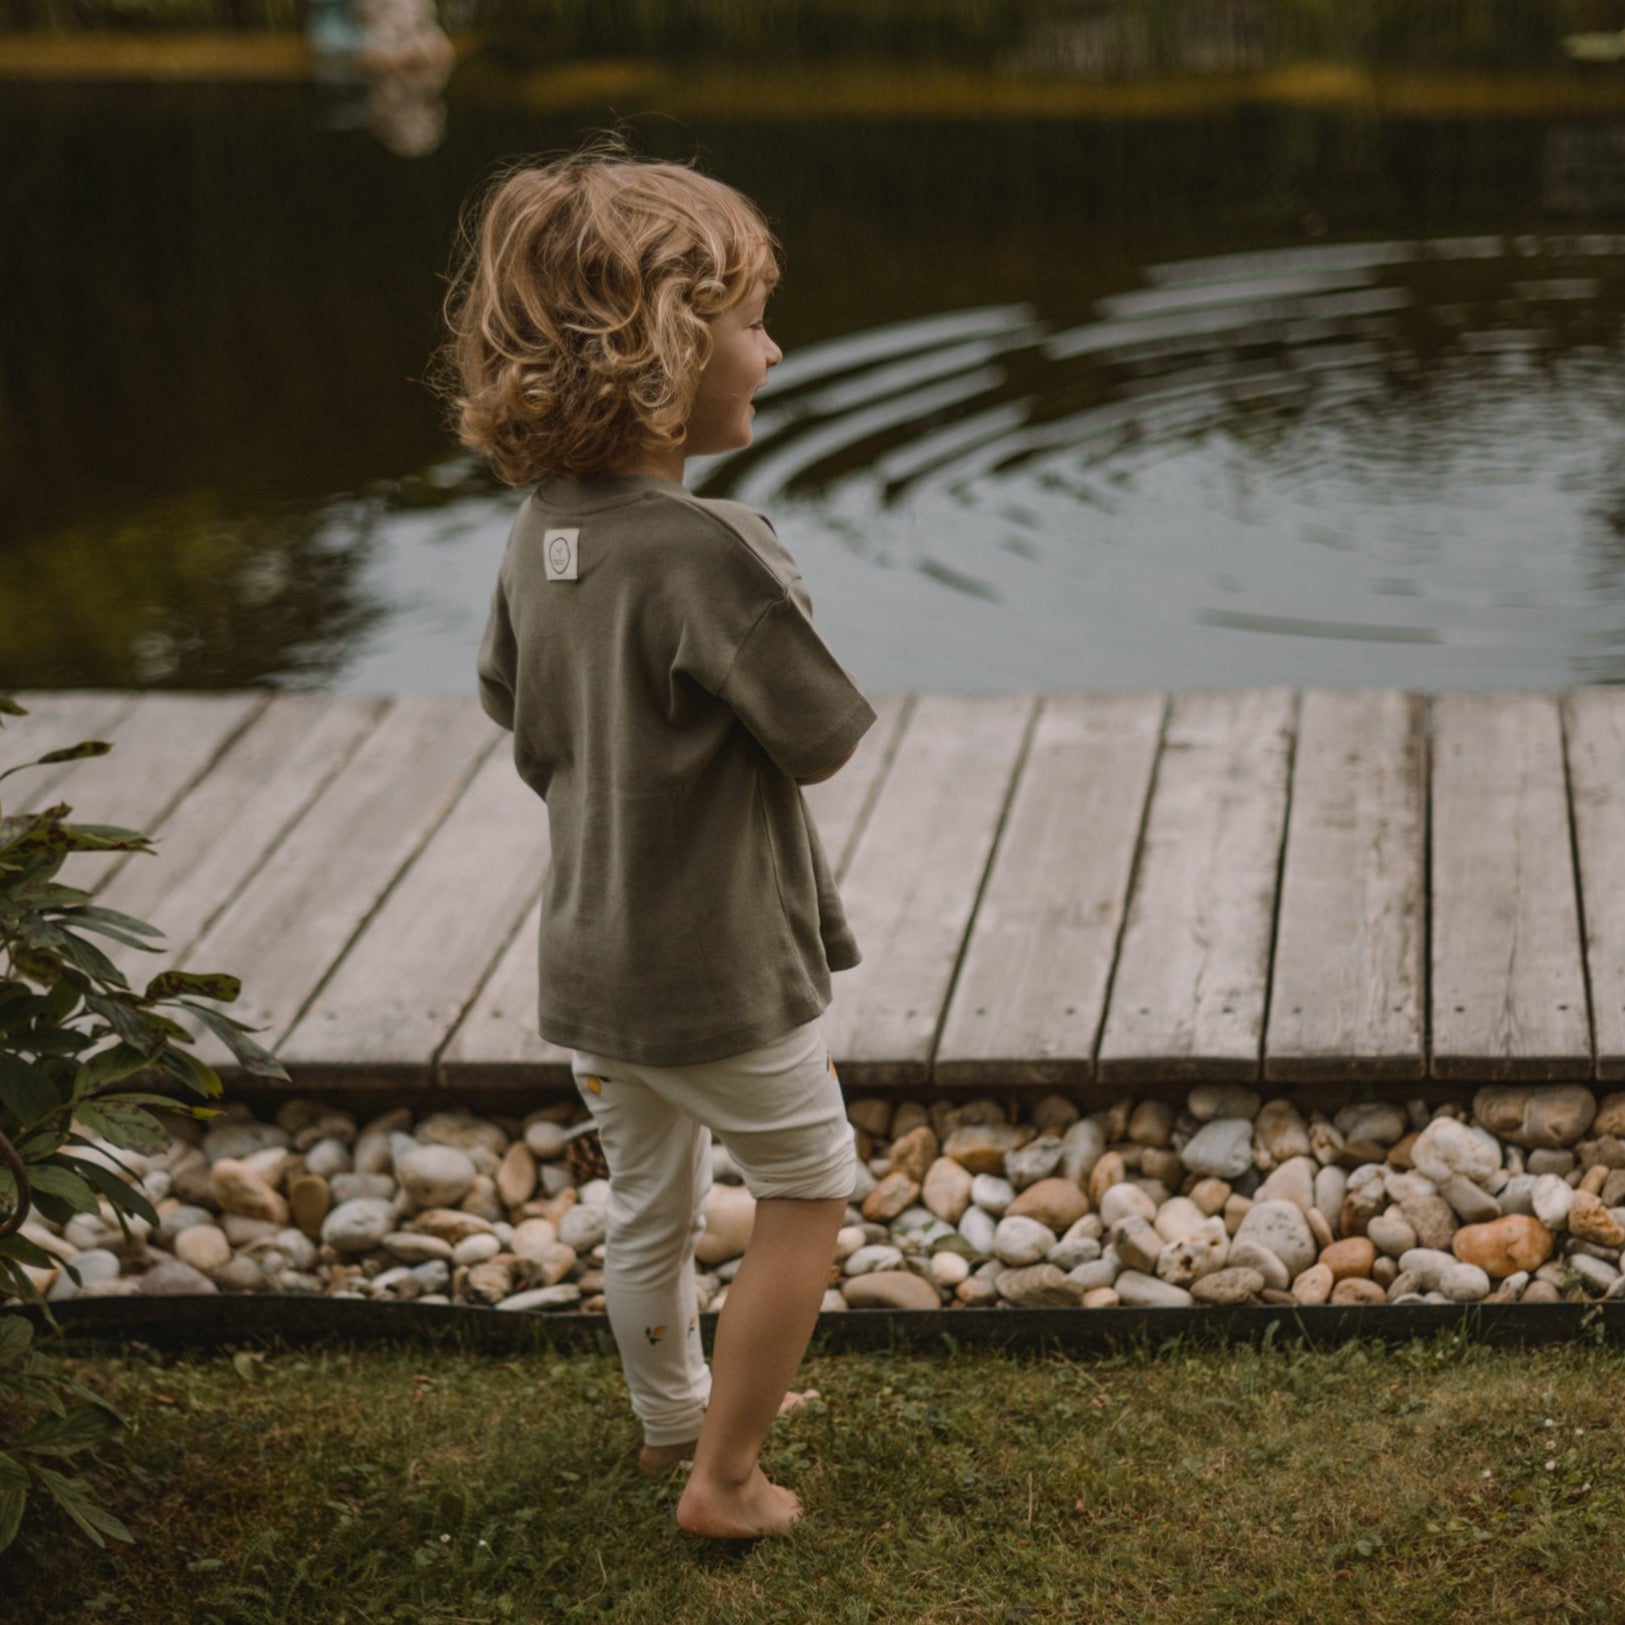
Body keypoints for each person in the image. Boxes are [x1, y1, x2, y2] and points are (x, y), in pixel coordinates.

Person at [436, 135, 876, 1540]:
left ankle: (673, 1421)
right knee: (806, 1189)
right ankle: (726, 1478)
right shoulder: (710, 547)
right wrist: (777, 581)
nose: (774, 347)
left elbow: (517, 709)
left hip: (593, 960)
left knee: (650, 1200)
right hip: (715, 969)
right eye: (748, 321)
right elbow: (820, 731)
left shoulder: (534, 531)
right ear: (665, 348)